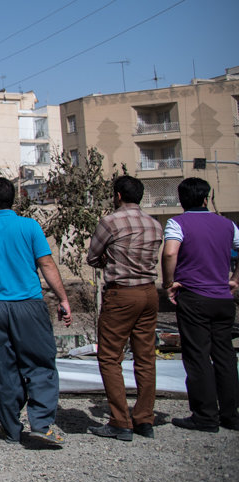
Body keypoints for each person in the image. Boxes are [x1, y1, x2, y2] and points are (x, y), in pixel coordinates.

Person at [0, 177, 73, 446]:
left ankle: (11, 428)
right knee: (40, 364)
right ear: (14, 199)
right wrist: (63, 299)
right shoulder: (30, 226)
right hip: (30, 306)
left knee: (3, 369)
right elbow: (46, 264)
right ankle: (42, 422)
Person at [86, 175, 163, 441]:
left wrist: (111, 258)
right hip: (149, 292)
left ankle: (120, 420)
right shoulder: (155, 224)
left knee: (109, 357)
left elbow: (93, 256)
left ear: (118, 195)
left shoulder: (110, 222)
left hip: (122, 294)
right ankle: (144, 418)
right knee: (145, 357)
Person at [161, 177, 239, 433]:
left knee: (197, 356)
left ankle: (205, 415)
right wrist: (235, 279)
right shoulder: (228, 225)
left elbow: (171, 252)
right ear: (206, 198)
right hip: (223, 298)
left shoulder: (178, 223)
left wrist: (170, 282)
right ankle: (231, 414)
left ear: (181, 200)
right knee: (225, 355)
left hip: (194, 295)